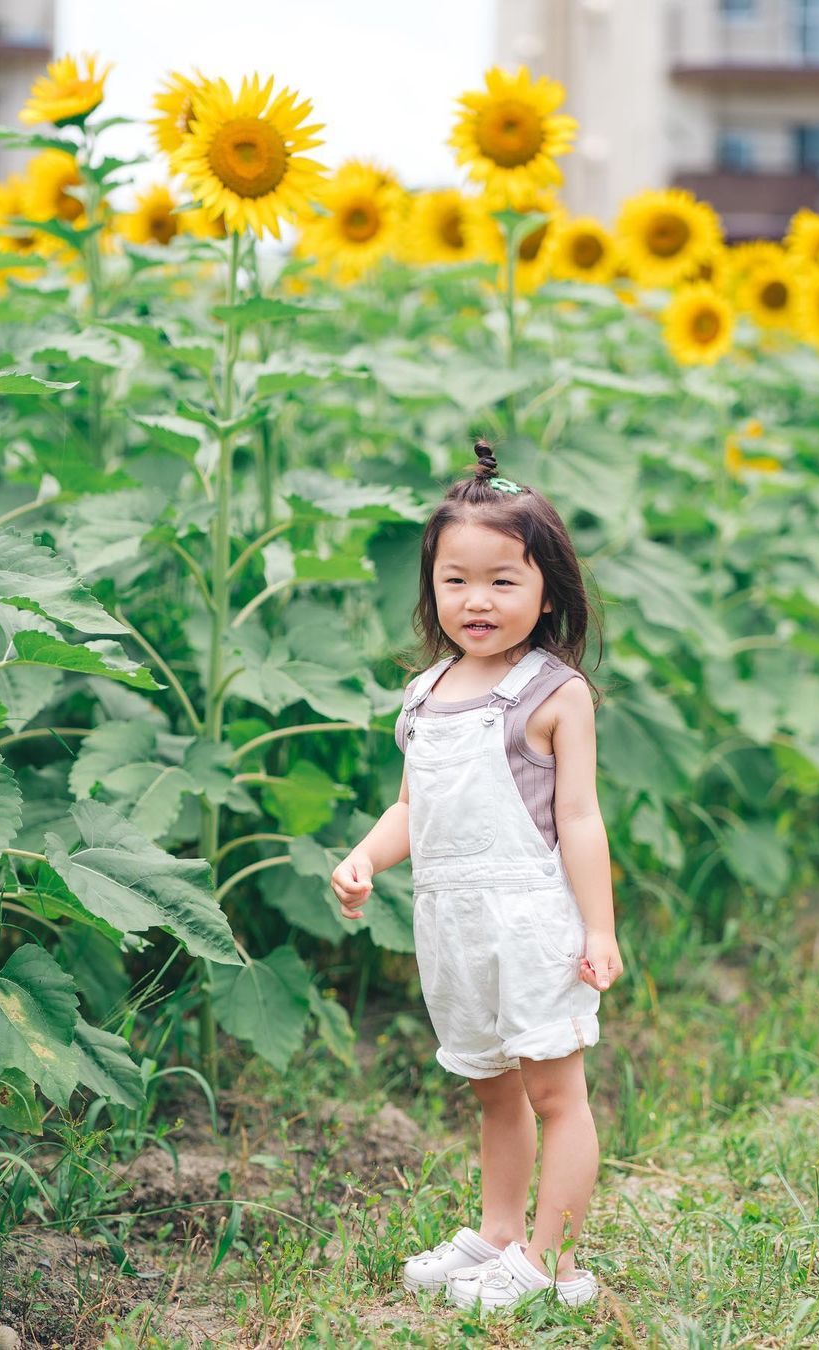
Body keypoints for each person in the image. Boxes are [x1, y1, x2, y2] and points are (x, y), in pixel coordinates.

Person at [330, 438, 624, 1314]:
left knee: (554, 1091)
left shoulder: (551, 692)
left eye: (504, 580)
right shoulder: (424, 694)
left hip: (532, 918)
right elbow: (416, 808)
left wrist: (599, 928)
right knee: (493, 1088)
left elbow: (578, 818)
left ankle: (552, 1259)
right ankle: (498, 1234)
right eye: (456, 580)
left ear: (547, 590)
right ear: (431, 589)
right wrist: (366, 858)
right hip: (452, 922)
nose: (478, 601)